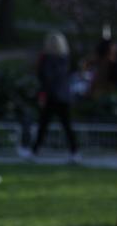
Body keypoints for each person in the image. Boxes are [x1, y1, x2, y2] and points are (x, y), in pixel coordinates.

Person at [29, 32, 79, 162]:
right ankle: (74, 151)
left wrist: (43, 94)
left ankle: (35, 151)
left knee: (44, 125)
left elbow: (46, 79)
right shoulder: (65, 59)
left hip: (52, 96)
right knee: (66, 125)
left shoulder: (47, 60)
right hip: (64, 96)